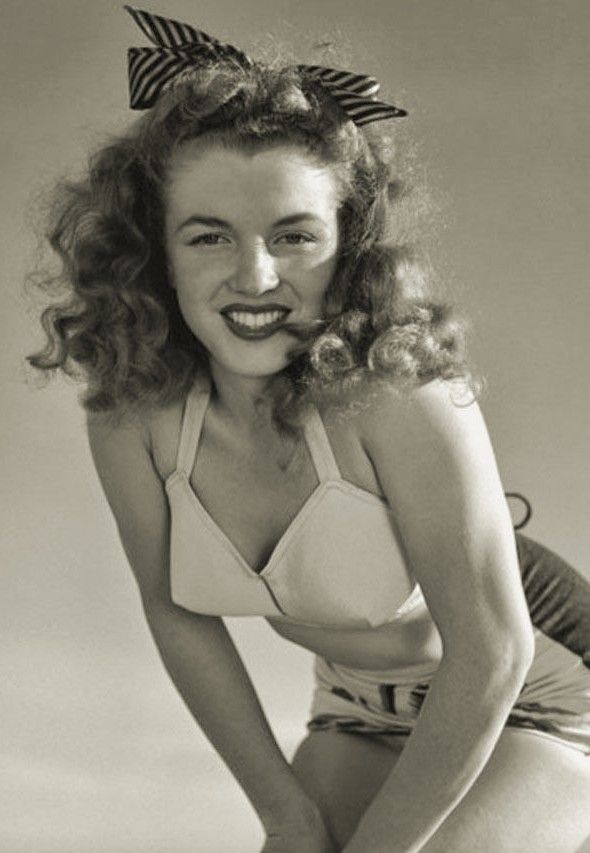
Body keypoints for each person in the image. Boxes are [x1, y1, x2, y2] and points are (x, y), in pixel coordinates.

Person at [26, 7, 590, 851]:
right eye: (209, 236)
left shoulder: (399, 397)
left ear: (349, 249)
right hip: (356, 706)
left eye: (294, 236)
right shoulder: (133, 419)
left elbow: (492, 654)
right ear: (155, 249)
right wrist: (282, 811)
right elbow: (176, 615)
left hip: (540, 689)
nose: (255, 276)